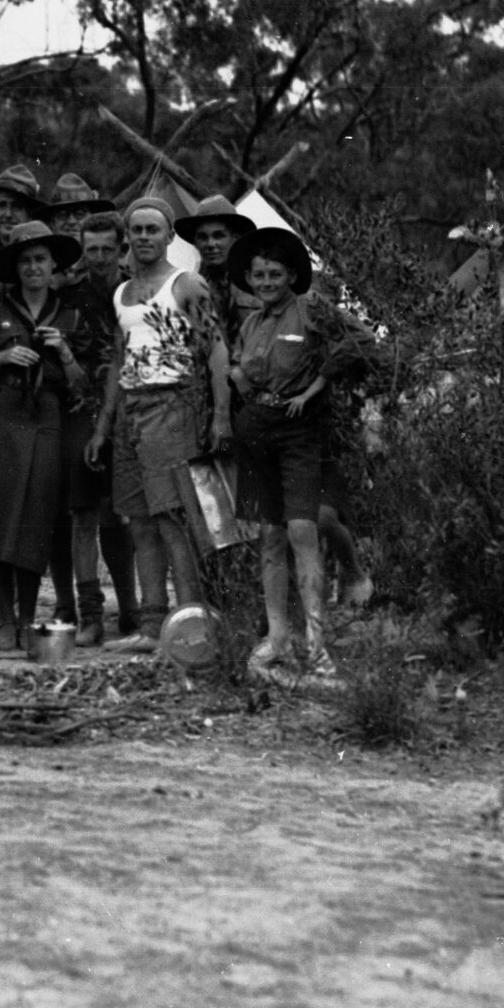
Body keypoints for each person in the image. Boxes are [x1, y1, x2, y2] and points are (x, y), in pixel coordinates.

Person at [226, 227, 379, 678]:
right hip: (258, 431)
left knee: (302, 531)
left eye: (275, 274)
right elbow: (240, 367)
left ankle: (316, 645)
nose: (267, 282)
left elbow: (361, 341)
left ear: (292, 275)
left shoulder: (311, 311)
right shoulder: (251, 323)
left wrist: (322, 380)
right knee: (269, 537)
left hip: (300, 432)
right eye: (258, 276)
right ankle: (277, 638)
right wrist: (239, 377)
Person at [89, 196, 231, 653]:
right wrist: (104, 425)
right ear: (126, 236)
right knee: (139, 521)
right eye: (137, 230)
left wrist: (221, 415)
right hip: (131, 412)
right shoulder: (121, 292)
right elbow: (118, 359)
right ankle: (153, 626)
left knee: (173, 519)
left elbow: (216, 351)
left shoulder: (185, 284)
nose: (144, 237)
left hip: (174, 407)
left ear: (170, 236)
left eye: (153, 229)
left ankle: (190, 623)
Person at [0, 219, 92, 651]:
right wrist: (1, 357)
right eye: (25, 260)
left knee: (37, 518)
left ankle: (31, 617)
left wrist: (65, 353)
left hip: (46, 420)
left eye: (40, 259)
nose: (33, 267)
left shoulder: (70, 313)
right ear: (14, 267)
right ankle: (7, 620)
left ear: (54, 264)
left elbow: (85, 386)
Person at [55, 210, 139, 645]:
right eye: (92, 250)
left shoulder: (135, 291)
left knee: (120, 516)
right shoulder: (67, 296)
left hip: (131, 414)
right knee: (83, 515)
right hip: (81, 413)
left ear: (121, 248)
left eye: (109, 249)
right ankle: (90, 616)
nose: (101, 258)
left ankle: (130, 612)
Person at [175, 194, 258, 347]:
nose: (210, 244)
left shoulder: (260, 281)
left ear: (236, 238)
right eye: (203, 237)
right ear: (195, 243)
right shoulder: (191, 289)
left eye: (219, 236)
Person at [0, 164, 48, 247]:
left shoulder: (41, 255)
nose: (8, 214)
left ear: (30, 215)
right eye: (2, 205)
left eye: (17, 206)